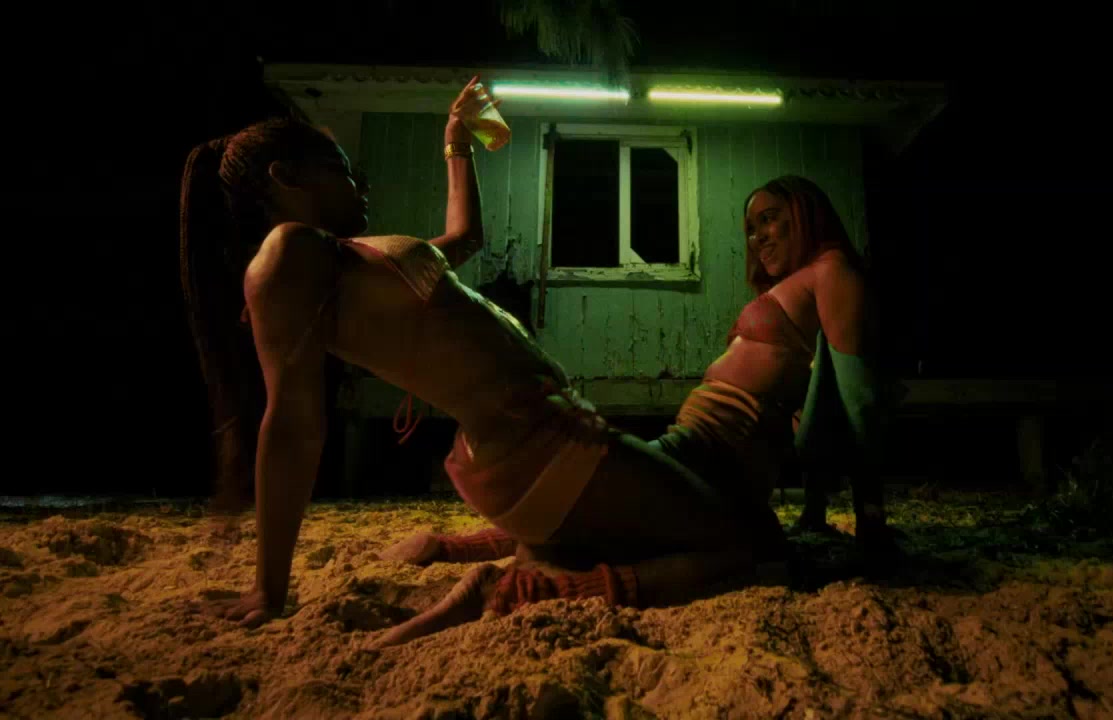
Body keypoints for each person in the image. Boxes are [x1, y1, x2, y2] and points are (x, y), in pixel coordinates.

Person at [179, 78, 787, 647]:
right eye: (343, 170)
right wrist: (269, 588)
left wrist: (457, 142)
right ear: (286, 177)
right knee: (744, 544)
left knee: (695, 519)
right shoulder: (285, 253)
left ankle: (527, 563)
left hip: (537, 439)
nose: (361, 184)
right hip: (537, 446)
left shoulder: (346, 260)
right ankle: (529, 589)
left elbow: (466, 237)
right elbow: (293, 424)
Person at [384, 175, 897, 573]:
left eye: (770, 219)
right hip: (696, 441)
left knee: (602, 497)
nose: (758, 237)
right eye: (750, 228)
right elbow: (817, 390)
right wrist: (813, 511)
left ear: (805, 212)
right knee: (598, 491)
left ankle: (451, 549)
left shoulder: (832, 271)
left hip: (723, 453)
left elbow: (858, 397)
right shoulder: (803, 280)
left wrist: (870, 517)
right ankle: (453, 548)